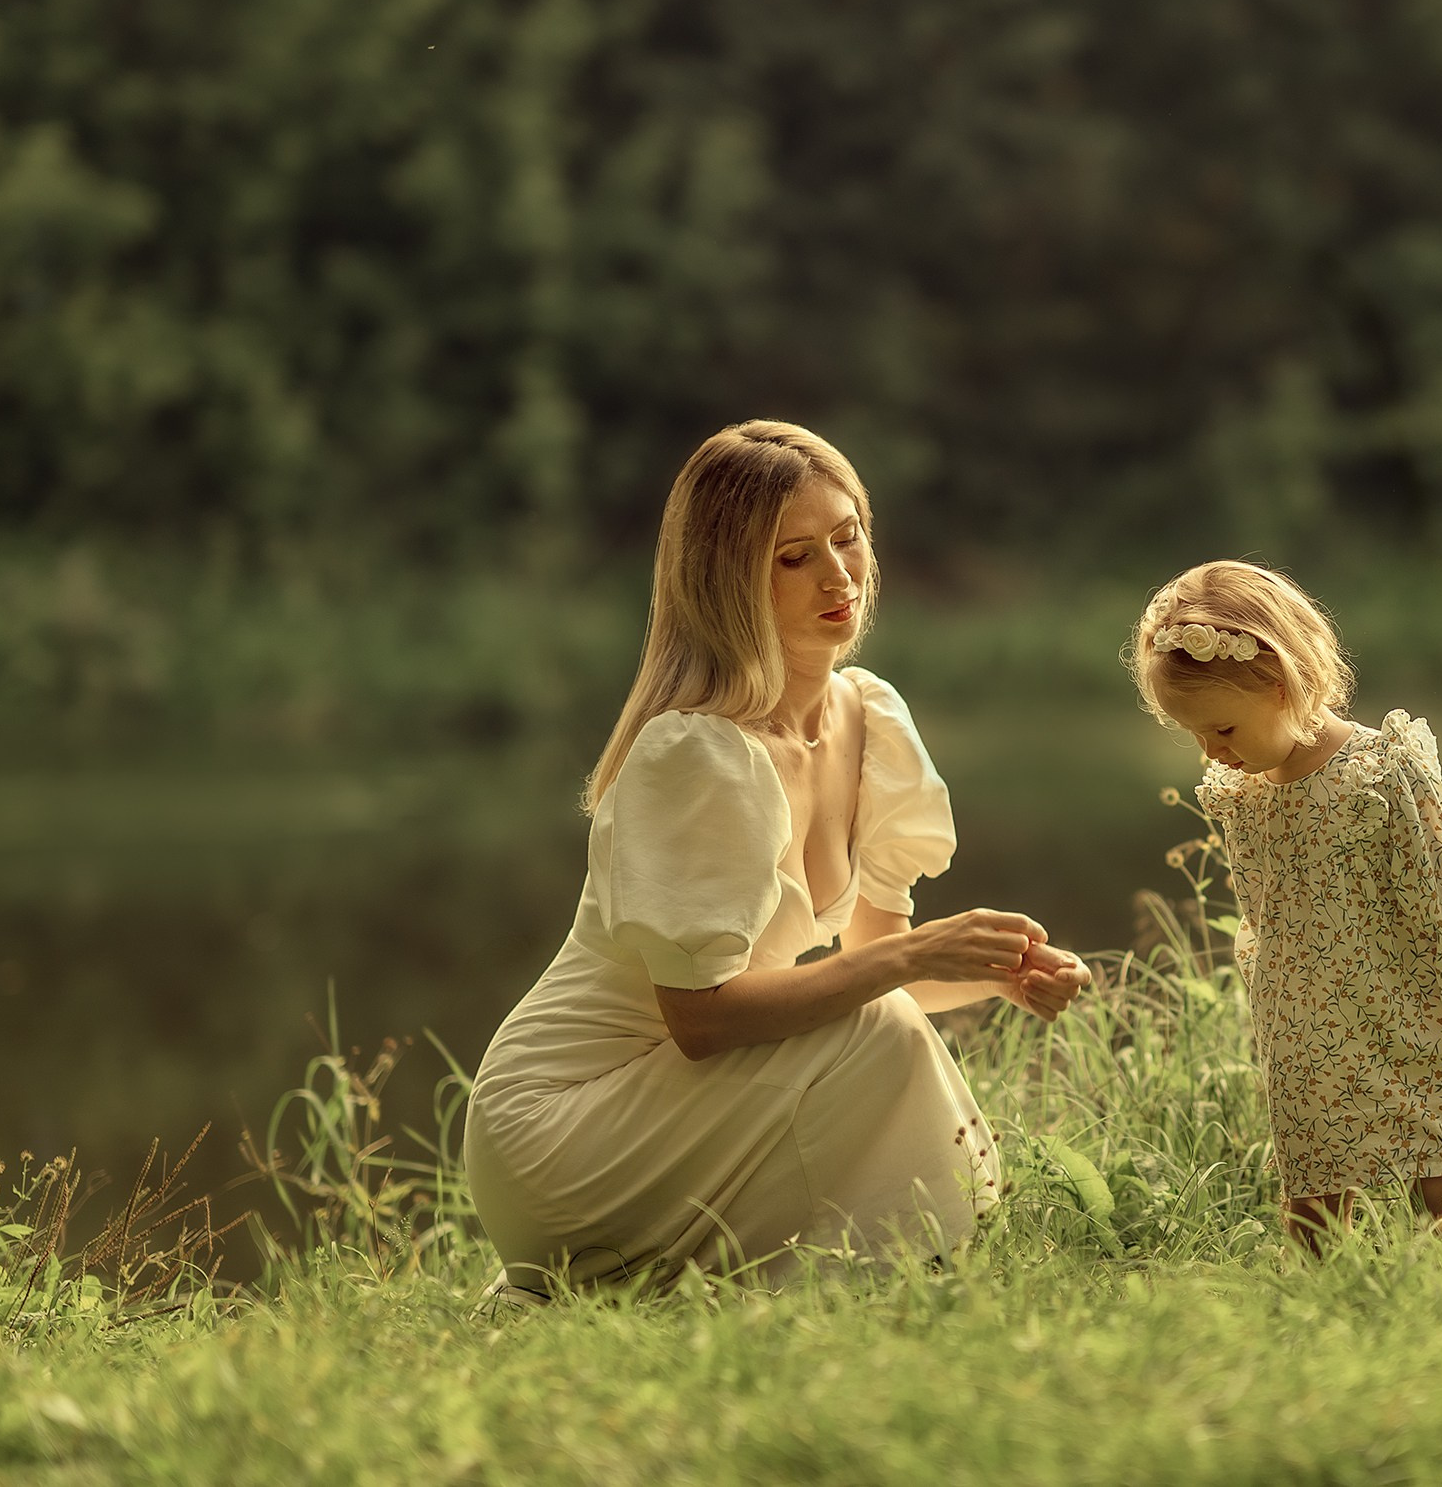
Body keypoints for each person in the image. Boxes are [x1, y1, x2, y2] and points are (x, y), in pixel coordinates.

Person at [465, 420, 1090, 1291]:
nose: (839, 575)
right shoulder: (696, 752)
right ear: (729, 580)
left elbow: (873, 966)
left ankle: (898, 1273)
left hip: (685, 1104)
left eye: (848, 536)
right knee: (878, 1023)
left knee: (881, 1021)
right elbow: (705, 1019)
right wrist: (914, 954)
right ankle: (948, 1264)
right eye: (794, 556)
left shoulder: (866, 717)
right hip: (563, 1124)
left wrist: (995, 976)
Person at [1128, 561, 1442, 1249]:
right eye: (1194, 735)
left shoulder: (1378, 772)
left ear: (1280, 684)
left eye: (1223, 729)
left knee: (1437, 1177)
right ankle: (1325, 1311)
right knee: (1312, 1188)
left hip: (1400, 1013)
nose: (1211, 751)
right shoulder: (1245, 791)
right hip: (1305, 1030)